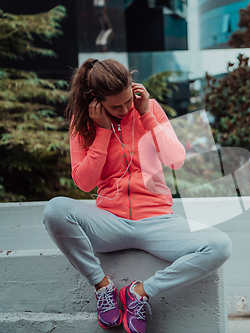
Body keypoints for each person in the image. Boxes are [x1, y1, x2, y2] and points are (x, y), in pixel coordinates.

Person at [42, 58, 232, 333]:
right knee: (55, 210)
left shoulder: (149, 109)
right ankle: (103, 288)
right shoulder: (83, 123)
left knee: (220, 245)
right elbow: (84, 183)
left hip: (158, 221)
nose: (124, 108)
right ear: (97, 101)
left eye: (127, 101)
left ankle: (138, 293)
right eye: (115, 105)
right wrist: (103, 132)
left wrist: (146, 115)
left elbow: (177, 160)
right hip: (110, 221)